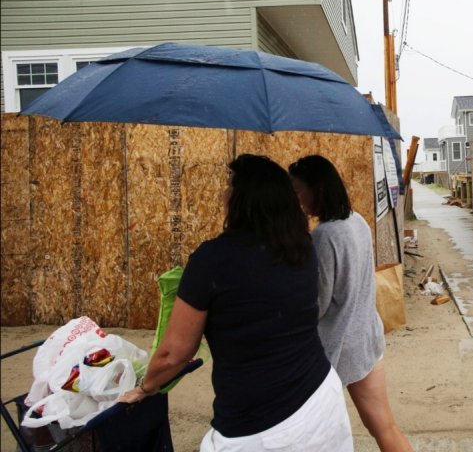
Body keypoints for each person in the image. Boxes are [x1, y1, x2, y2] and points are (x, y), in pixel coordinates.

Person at [120, 154, 353, 451]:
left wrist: (146, 387)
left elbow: (173, 354)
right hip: (322, 400)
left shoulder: (212, 260)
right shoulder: (302, 247)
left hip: (261, 430)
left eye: (231, 185)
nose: (223, 193)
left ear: (244, 198)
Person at [289, 155, 413, 452]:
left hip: (341, 346)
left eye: (298, 190)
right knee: (384, 427)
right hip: (367, 336)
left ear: (316, 189)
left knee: (310, 434)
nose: (297, 198)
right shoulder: (356, 220)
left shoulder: (324, 237)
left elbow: (318, 304)